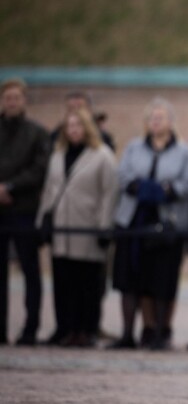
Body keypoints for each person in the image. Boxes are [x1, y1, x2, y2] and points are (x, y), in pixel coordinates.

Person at [111, 98, 188, 350]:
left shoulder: (183, 152)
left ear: (171, 122)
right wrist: (142, 188)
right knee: (128, 278)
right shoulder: (134, 148)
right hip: (134, 219)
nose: (155, 122)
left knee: (161, 279)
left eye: (160, 117)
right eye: (151, 118)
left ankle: (160, 332)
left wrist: (165, 190)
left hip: (166, 224)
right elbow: (123, 176)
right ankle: (128, 333)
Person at [37, 108, 117, 348]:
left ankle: (86, 330)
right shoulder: (58, 155)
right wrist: (43, 220)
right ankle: (65, 328)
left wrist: (105, 226)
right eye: (69, 126)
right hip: (62, 227)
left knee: (88, 284)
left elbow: (109, 193)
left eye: (78, 125)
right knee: (63, 282)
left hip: (88, 228)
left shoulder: (102, 155)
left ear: (87, 128)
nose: (73, 130)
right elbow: (50, 190)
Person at [0, 78, 49, 346]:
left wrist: (10, 187)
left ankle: (30, 328)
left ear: (24, 101)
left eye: (16, 98)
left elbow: (39, 169)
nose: (12, 102)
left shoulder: (36, 133)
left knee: (30, 270)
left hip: (24, 210)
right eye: (8, 98)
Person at [50, 91, 115, 151]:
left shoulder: (102, 137)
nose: (76, 112)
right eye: (71, 108)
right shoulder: (56, 137)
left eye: (80, 108)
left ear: (89, 110)